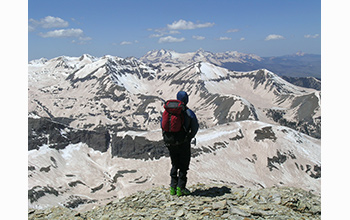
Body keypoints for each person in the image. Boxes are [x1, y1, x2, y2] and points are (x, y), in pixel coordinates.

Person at [162, 91, 199, 196]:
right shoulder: (188, 112)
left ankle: (172, 188)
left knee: (174, 164)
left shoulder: (168, 111)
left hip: (170, 142)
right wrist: (189, 137)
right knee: (183, 165)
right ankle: (181, 188)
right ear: (186, 100)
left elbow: (162, 125)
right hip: (183, 142)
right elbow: (195, 127)